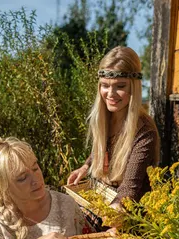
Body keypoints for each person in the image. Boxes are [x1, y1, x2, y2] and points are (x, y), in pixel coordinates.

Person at [67, 46, 160, 210]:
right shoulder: (105, 117)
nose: (111, 93)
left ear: (134, 86)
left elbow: (129, 189)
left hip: (131, 213)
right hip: (103, 198)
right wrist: (86, 166)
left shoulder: (144, 132)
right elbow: (103, 149)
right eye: (105, 85)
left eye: (120, 86)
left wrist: (113, 211)